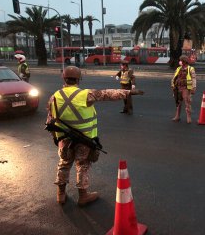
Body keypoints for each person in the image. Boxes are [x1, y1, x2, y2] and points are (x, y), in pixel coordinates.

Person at [46, 66, 144, 206]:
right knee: (82, 165)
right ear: (79, 79)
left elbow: (49, 121)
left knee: (64, 164)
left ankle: (60, 194)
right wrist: (128, 92)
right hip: (84, 140)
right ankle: (83, 196)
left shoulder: (54, 97)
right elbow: (107, 94)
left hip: (64, 139)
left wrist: (56, 139)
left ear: (64, 78)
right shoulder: (86, 95)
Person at [171, 55, 197, 123]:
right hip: (178, 88)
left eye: (181, 60)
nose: (180, 62)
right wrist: (173, 85)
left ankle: (188, 117)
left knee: (187, 102)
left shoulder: (190, 69)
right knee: (178, 103)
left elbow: (194, 79)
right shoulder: (178, 68)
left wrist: (193, 87)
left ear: (184, 61)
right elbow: (174, 77)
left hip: (186, 88)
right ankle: (177, 116)